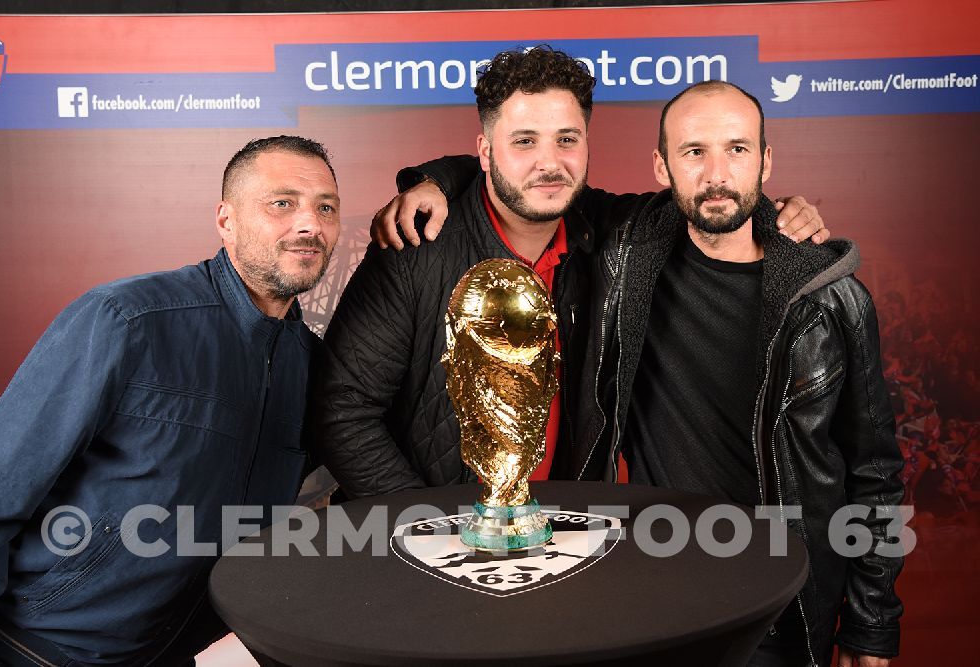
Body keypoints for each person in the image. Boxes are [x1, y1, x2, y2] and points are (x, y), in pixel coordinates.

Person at [316, 46, 827, 499]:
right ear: (485, 151)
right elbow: (343, 410)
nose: (549, 163)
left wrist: (777, 214)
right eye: (523, 142)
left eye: (566, 139)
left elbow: (709, 198)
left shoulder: (610, 237)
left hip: (562, 538)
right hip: (438, 544)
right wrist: (427, 526)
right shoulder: (417, 245)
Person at [0, 136, 340, 665]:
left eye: (326, 207)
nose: (309, 224)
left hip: (176, 653)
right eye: (282, 203)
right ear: (227, 219)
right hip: (38, 646)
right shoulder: (127, 319)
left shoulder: (312, 363)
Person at [586, 81, 903, 666]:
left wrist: (872, 624)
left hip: (783, 607)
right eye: (693, 152)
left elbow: (875, 473)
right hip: (653, 600)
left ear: (766, 159)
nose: (716, 174)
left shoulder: (831, 302)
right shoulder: (626, 264)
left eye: (737, 149)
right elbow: (525, 180)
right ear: (661, 166)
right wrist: (430, 181)